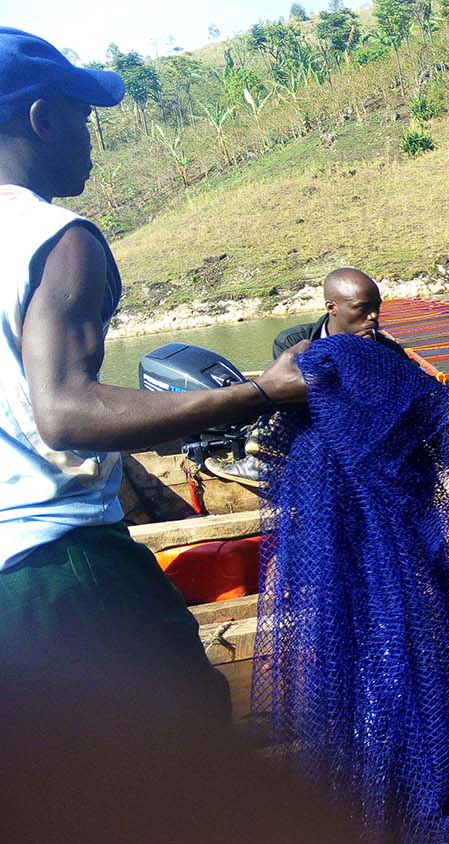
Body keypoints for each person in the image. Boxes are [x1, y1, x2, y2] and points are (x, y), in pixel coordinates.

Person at [0, 27, 307, 713]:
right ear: (42, 120)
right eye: (82, 120)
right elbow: (66, 413)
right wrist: (260, 391)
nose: (90, 143)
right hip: (55, 569)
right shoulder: (55, 238)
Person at [271, 267, 404, 359]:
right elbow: (294, 392)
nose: (374, 315)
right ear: (331, 307)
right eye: (363, 308)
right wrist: (344, 353)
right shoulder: (291, 343)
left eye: (377, 307)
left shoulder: (389, 350)